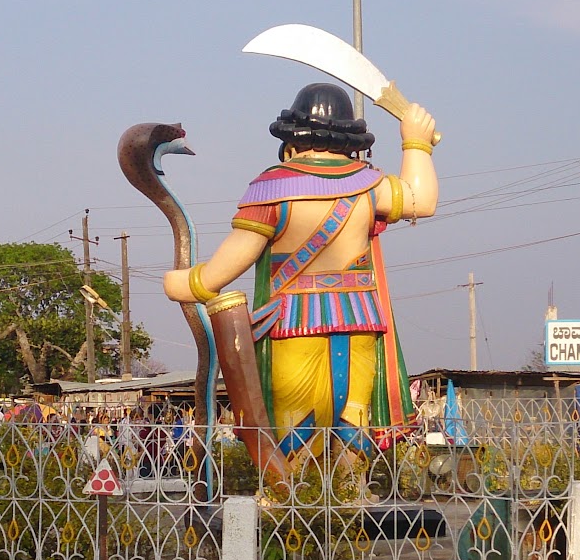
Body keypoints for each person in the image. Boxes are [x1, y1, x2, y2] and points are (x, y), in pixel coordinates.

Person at [163, 82, 437, 458]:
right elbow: (421, 200)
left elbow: (230, 263)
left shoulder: (272, 188)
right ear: (351, 141)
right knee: (351, 419)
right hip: (358, 317)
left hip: (294, 322)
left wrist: (190, 282)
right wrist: (416, 142)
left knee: (296, 421)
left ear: (290, 140)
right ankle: (348, 500)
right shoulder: (370, 187)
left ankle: (291, 500)